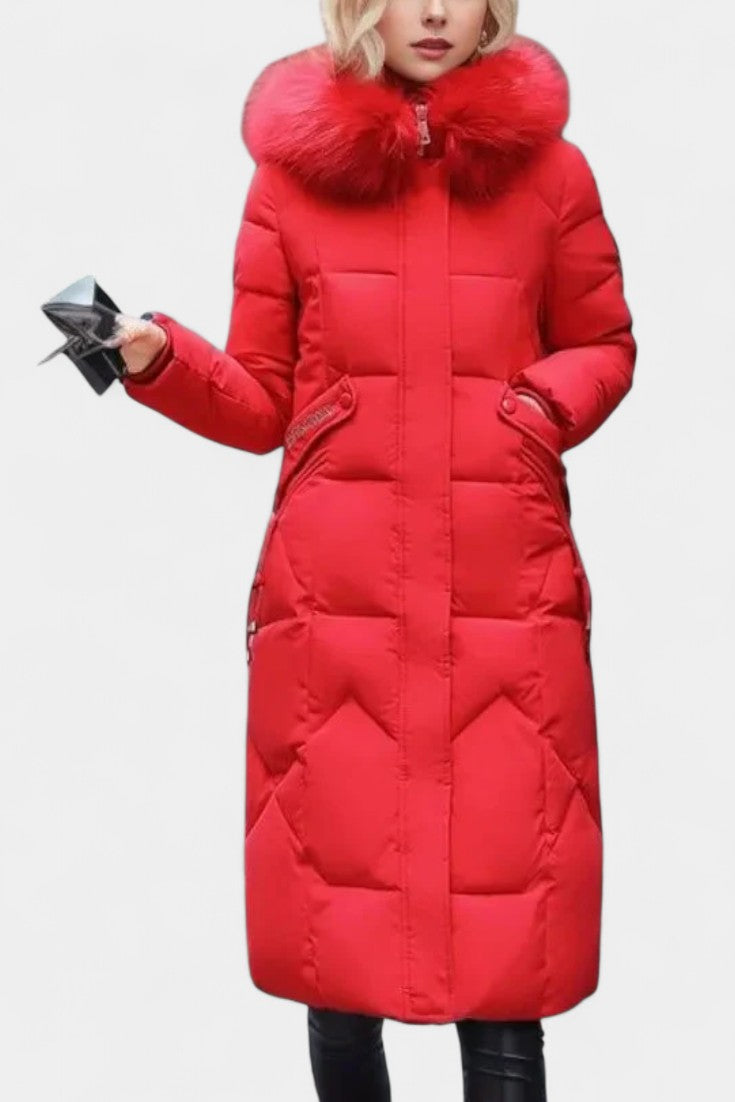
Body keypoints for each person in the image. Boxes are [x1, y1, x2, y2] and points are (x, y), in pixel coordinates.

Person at [112, 2, 636, 1098]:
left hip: (506, 586)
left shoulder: (552, 173)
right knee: (338, 949)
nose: (434, 12)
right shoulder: (292, 180)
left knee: (509, 955)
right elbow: (263, 401)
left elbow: (603, 342)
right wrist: (162, 360)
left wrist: (532, 410)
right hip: (336, 598)